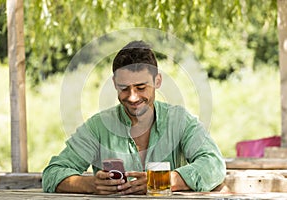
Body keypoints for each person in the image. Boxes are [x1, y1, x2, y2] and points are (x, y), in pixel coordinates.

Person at [42, 40, 226, 195]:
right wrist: (91, 185)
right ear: (114, 83)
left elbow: (214, 164)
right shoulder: (98, 127)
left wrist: (162, 180)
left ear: (157, 81)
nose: (132, 97)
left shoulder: (180, 120)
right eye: (124, 88)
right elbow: (53, 173)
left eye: (140, 87)